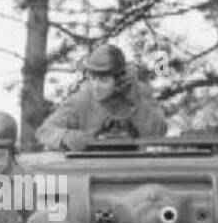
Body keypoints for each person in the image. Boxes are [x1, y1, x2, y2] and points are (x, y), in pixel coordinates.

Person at [34, 43, 167, 150]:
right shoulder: (82, 100)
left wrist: (137, 105)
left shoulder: (140, 92)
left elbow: (159, 132)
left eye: (103, 80)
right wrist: (67, 136)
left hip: (134, 169)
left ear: (120, 80)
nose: (96, 86)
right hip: (92, 171)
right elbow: (44, 132)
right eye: (93, 78)